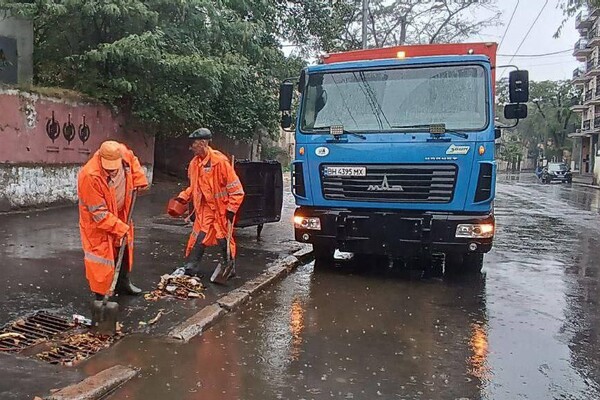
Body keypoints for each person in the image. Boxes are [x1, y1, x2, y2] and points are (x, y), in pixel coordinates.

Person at [77, 140, 148, 299]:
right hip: (96, 223)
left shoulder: (123, 152)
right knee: (101, 259)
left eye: (114, 168)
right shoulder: (89, 176)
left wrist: (139, 178)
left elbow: (133, 161)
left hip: (122, 211)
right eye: (108, 169)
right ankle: (102, 294)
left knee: (124, 247)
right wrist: (122, 229)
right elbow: (100, 215)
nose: (112, 172)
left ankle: (123, 283)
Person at [172, 128, 245, 279]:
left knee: (222, 237)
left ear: (203, 143)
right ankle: (191, 267)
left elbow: (237, 190)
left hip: (221, 209)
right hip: (205, 209)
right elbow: (194, 187)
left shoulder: (220, 163)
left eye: (193, 144)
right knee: (199, 236)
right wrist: (183, 197)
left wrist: (231, 209)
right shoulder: (194, 164)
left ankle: (229, 266)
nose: (190, 147)